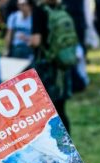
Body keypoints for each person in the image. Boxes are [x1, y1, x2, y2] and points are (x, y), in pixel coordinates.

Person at [30, 0, 74, 132]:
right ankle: (68, 141)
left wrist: (29, 42)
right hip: (62, 62)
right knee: (61, 107)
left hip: (47, 66)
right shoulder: (62, 8)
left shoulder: (39, 11)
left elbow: (36, 41)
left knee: (48, 109)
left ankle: (58, 144)